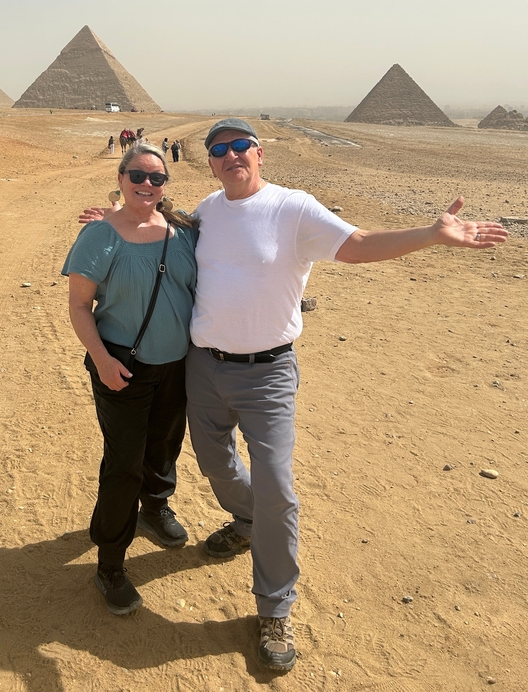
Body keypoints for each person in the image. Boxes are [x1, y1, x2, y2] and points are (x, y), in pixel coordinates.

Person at [80, 117, 508, 671]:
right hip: (203, 366)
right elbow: (158, 227)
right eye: (219, 149)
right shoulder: (207, 210)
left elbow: (358, 244)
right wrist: (114, 221)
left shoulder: (294, 207)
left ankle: (275, 606)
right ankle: (249, 520)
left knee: (278, 488)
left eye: (241, 146)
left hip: (267, 374)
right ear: (208, 161)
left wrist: (429, 234)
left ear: (259, 154)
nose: (231, 155)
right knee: (214, 464)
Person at [62, 144, 199, 616]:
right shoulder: (100, 235)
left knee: (164, 445)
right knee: (124, 463)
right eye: (137, 175)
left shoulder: (183, 231)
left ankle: (155, 508)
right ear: (120, 178)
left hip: (177, 364)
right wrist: (100, 359)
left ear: (165, 185)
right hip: (121, 365)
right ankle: (110, 565)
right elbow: (79, 305)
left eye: (156, 178)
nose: (147, 184)